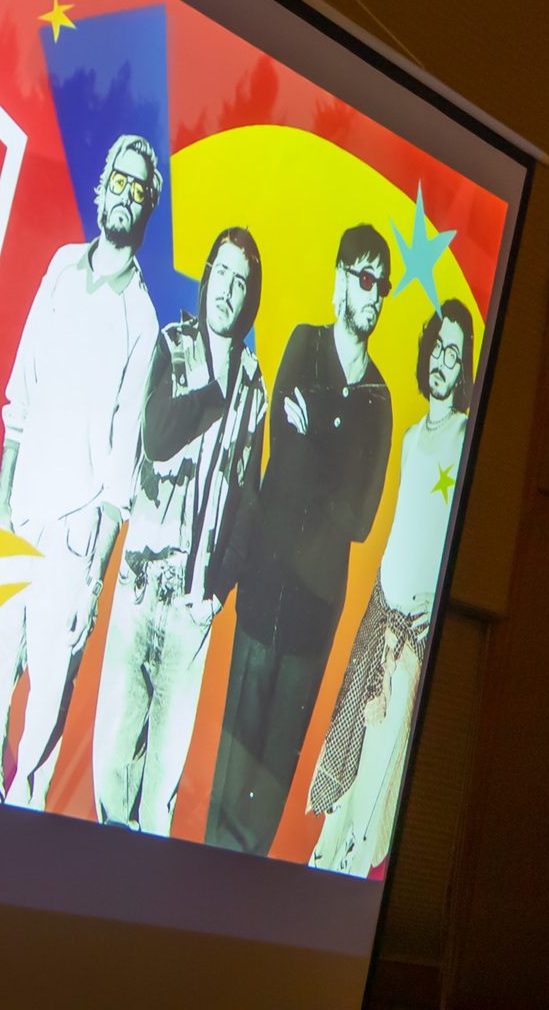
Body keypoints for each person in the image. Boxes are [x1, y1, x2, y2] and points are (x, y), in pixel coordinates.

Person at [0, 134, 162, 810]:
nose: (124, 195)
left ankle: (21, 818)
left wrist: (92, 578)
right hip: (17, 511)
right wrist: (1, 502)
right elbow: (21, 391)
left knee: (47, 690)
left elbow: (123, 466)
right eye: (118, 181)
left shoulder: (143, 319)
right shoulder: (61, 268)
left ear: (147, 208)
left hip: (74, 537)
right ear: (101, 187)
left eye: (138, 189)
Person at [205, 224, 395, 855]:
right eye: (364, 279)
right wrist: (324, 460)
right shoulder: (303, 344)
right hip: (263, 593)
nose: (374, 295)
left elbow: (360, 519)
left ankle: (240, 898)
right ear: (341, 280)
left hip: (315, 619)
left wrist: (314, 437)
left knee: (270, 783)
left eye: (382, 286)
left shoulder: (379, 400)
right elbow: (281, 460)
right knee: (232, 769)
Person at [92, 227, 267, 836]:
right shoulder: (175, 343)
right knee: (113, 762)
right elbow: (158, 439)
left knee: (161, 784)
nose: (228, 289)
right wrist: (209, 393)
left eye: (241, 281)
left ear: (249, 296)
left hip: (194, 604)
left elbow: (250, 500)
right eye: (222, 273)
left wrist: (217, 591)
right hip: (142, 584)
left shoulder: (254, 383)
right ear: (207, 275)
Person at [307, 299, 474, 876]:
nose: (443, 361)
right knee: (348, 769)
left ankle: (349, 890)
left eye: (455, 354)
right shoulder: (408, 436)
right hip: (378, 623)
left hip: (411, 645)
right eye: (439, 347)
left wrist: (438, 606)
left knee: (378, 780)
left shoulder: (465, 438)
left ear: (464, 368)